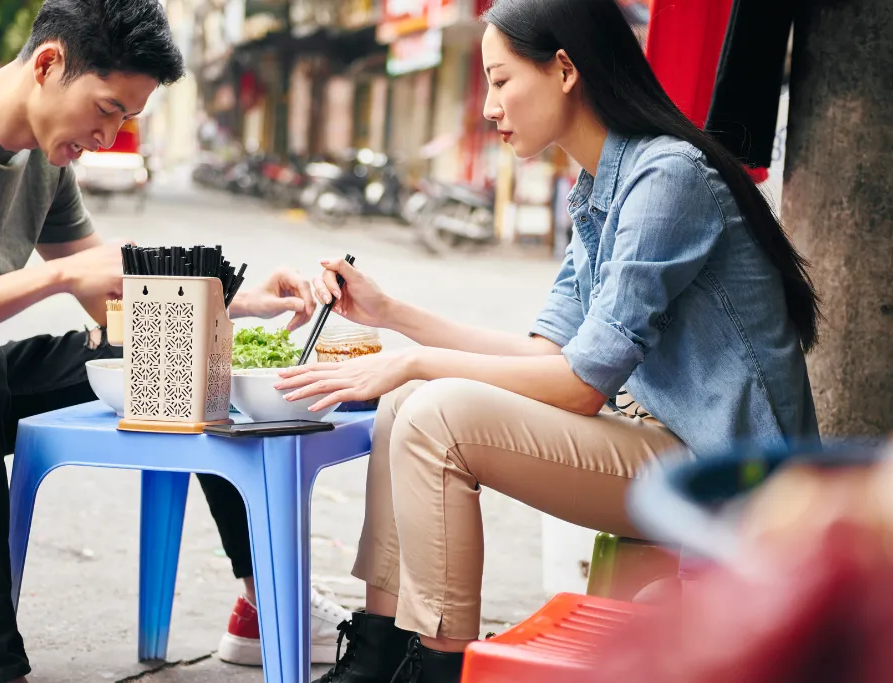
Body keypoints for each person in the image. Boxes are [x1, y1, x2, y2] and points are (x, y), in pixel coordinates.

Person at [274, 0, 822, 681]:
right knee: (409, 397)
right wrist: (391, 314)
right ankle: (379, 653)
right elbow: (546, 354)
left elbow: (579, 386)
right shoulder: (598, 188)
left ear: (564, 69)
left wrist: (409, 360)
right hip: (660, 446)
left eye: (501, 81)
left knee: (432, 410)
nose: (489, 107)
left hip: (728, 477)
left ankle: (440, 667)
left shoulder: (668, 178)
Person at [0, 1, 348, 682]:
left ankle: (258, 601)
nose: (107, 135)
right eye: (105, 109)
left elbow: (117, 287)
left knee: (173, 346)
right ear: (47, 63)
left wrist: (239, 300)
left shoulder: (42, 159)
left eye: (125, 118)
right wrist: (55, 276)